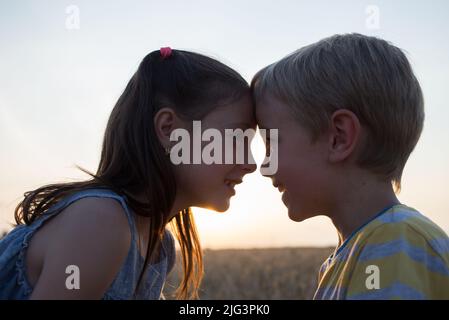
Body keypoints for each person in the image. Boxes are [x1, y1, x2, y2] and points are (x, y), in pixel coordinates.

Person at [0, 47, 257, 299]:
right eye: (236, 138)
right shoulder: (100, 221)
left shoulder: (160, 245)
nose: (251, 163)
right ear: (169, 130)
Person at [251, 34, 449, 299]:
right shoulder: (362, 248)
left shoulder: (394, 243)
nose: (264, 166)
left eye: (273, 143)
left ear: (339, 138)